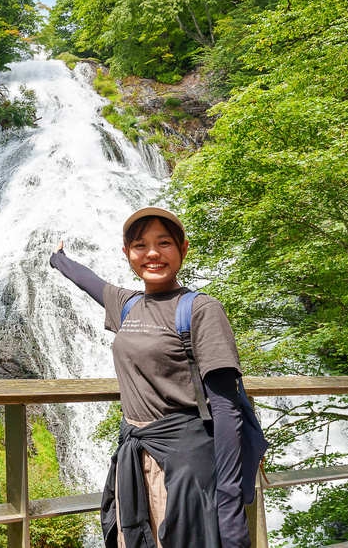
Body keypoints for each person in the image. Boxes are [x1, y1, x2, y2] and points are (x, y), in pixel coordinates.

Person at [50, 206, 250, 548]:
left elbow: (226, 409)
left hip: (184, 461)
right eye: (140, 245)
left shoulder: (201, 309)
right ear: (127, 252)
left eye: (164, 243)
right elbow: (90, 283)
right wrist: (58, 258)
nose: (153, 253)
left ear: (183, 249)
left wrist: (230, 506)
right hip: (135, 455)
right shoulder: (127, 305)